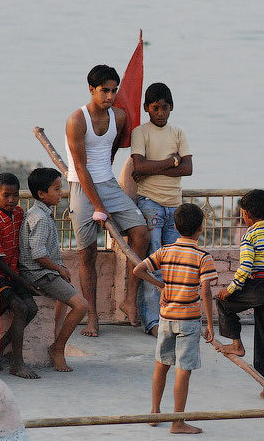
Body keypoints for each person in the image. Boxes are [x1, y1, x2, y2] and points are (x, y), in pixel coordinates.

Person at [65, 64, 148, 336]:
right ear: (91, 90)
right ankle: (92, 316)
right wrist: (98, 206)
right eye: (104, 91)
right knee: (87, 254)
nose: (110, 96)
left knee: (141, 232)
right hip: (81, 186)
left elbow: (108, 152)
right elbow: (80, 166)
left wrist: (107, 198)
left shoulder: (120, 117)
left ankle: (129, 299)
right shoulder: (77, 120)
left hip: (109, 184)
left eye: (114, 91)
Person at [133, 203, 215, 434]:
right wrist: (209, 323)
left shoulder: (165, 251)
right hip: (189, 320)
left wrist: (162, 286)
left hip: (166, 317)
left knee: (161, 366)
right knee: (183, 369)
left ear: (176, 227)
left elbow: (138, 270)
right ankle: (177, 421)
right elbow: (206, 292)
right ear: (200, 228)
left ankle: (155, 411)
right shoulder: (203, 257)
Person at [212, 189, 264, 401]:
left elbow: (245, 268)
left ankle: (236, 344)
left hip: (260, 284)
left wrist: (230, 289)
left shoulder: (250, 236)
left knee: (224, 303)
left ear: (245, 213)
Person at [129, 82, 194, 337]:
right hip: (150, 203)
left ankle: (172, 315)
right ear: (147, 108)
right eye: (155, 108)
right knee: (153, 263)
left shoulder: (178, 132)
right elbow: (138, 167)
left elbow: (187, 168)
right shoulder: (140, 133)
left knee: (174, 265)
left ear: (172, 108)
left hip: (174, 206)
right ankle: (152, 322)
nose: (161, 113)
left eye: (165, 108)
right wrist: (171, 161)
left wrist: (152, 167)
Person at [19, 168, 88, 372]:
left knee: (67, 291)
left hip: (44, 271)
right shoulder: (39, 218)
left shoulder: (40, 213)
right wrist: (59, 269)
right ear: (42, 194)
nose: (61, 193)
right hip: (38, 274)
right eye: (57, 189)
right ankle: (58, 347)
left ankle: (57, 334)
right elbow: (38, 254)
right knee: (81, 306)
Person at [0, 173, 41, 379]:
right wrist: (24, 281)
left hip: (13, 273)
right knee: (21, 308)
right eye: (6, 195)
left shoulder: (20, 213)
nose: (12, 200)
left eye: (15, 195)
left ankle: (1, 348)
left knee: (32, 308)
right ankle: (17, 363)